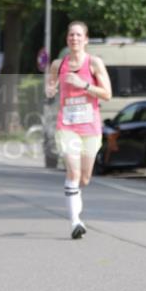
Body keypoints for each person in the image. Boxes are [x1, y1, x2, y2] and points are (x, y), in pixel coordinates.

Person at [46, 21, 112, 239]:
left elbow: (107, 94)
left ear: (86, 39)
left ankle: (76, 205)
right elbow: (50, 87)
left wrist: (83, 84)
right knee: (73, 172)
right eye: (71, 35)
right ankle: (75, 221)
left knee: (84, 178)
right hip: (67, 126)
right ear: (67, 39)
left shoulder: (94, 63)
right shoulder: (58, 64)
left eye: (78, 35)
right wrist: (50, 89)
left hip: (90, 127)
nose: (74, 38)